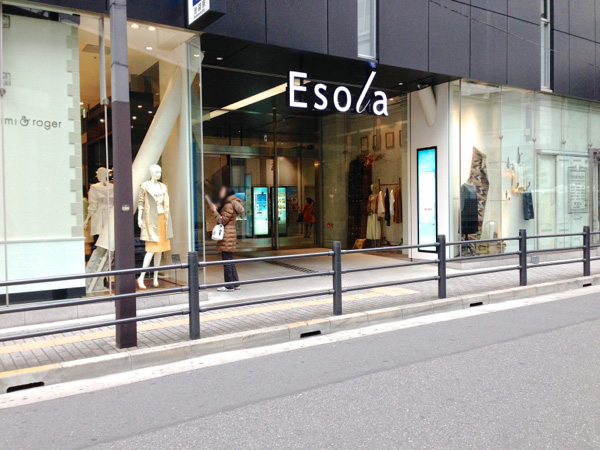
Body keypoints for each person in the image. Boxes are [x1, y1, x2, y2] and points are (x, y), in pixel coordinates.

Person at [209, 186, 245, 292]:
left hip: (227, 236)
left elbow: (222, 221)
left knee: (227, 262)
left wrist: (214, 211)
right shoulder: (233, 204)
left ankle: (229, 286)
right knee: (230, 260)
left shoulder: (228, 205)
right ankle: (235, 284)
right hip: (230, 234)